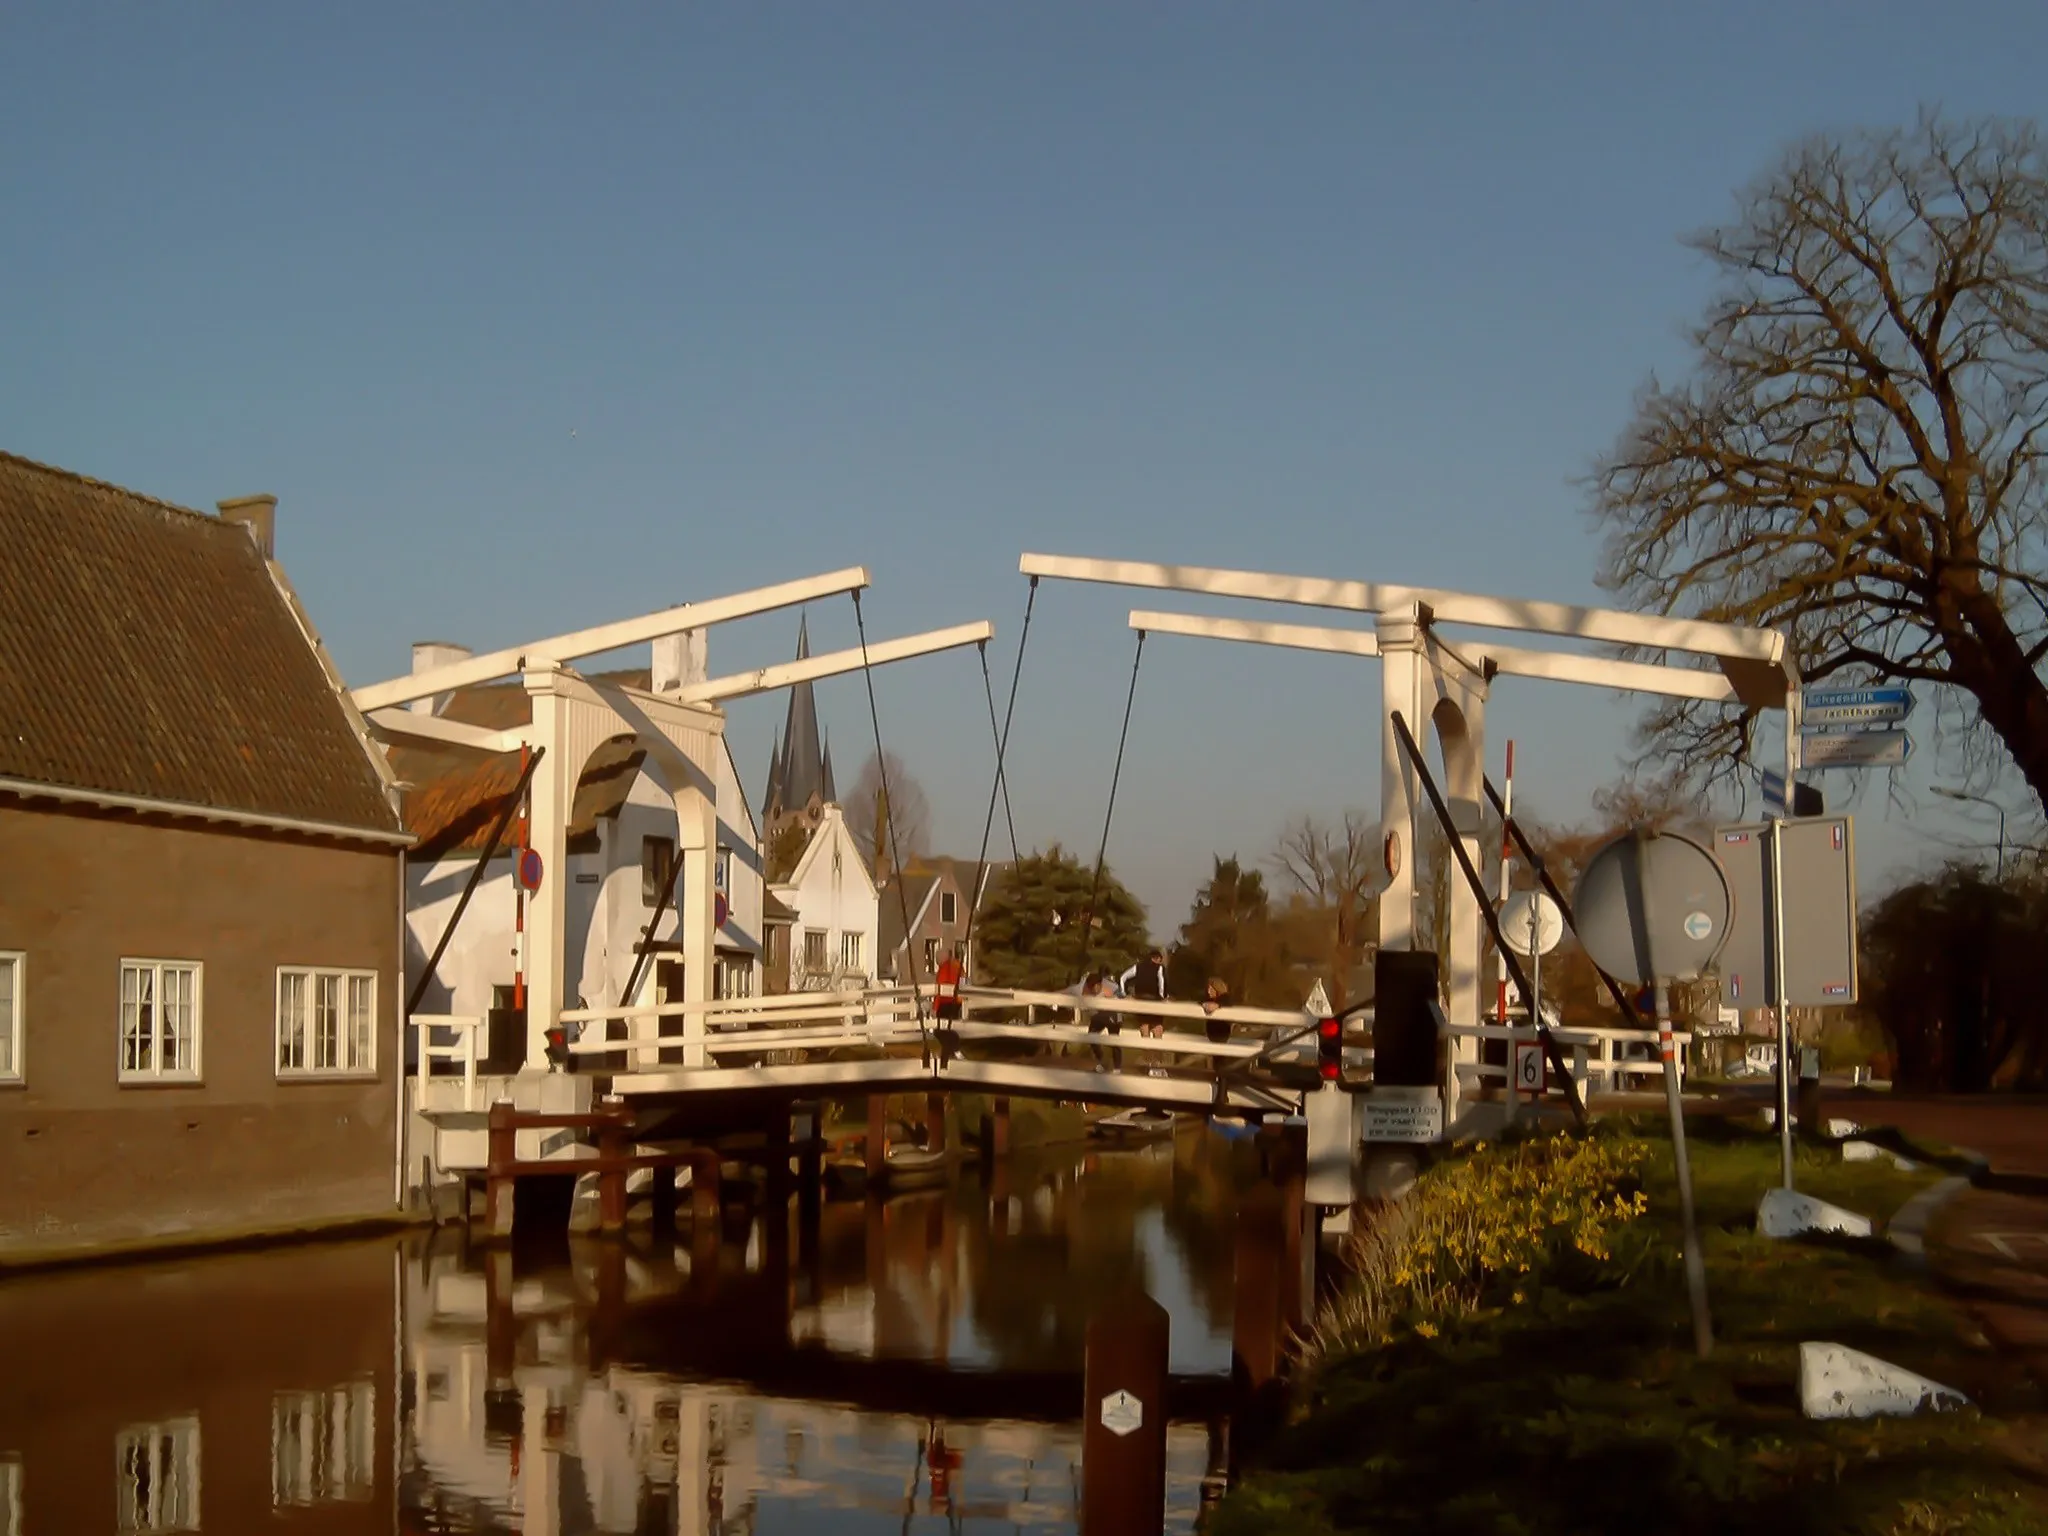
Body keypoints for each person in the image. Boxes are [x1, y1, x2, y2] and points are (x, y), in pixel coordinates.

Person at [1120, 948, 1168, 1039]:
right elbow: (1162, 982)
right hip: (1155, 999)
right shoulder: (1159, 968)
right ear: (1155, 958)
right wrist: (1163, 996)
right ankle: (1156, 1052)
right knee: (1157, 1026)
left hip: (1140, 999)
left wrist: (1123, 993)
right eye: (1159, 959)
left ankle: (1147, 1052)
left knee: (1144, 1025)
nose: (1160, 961)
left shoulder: (1137, 967)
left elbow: (1123, 977)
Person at [934, 947, 964, 1022]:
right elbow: (963, 983)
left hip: (946, 1004)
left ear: (943, 957)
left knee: (943, 1029)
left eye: (937, 957)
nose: (936, 960)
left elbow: (940, 990)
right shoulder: (959, 966)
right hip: (958, 1003)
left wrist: (935, 1008)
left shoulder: (944, 968)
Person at [1201, 977, 1232, 1046]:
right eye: (1208, 989)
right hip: (1211, 1035)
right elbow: (1201, 1001)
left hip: (1221, 1034)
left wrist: (1217, 1005)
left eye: (1211, 989)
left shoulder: (1225, 999)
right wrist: (1204, 1004)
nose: (1209, 991)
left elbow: (1226, 1002)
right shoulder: (1209, 999)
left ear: (1217, 989)